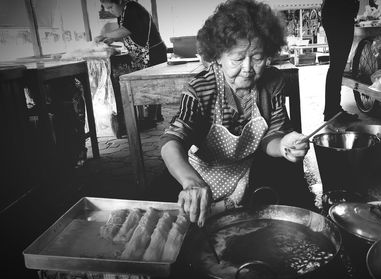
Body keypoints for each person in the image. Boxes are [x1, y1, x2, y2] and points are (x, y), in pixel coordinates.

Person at [160, 0, 311, 227]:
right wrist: (191, 182)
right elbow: (171, 142)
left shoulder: (272, 83)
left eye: (258, 57)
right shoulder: (201, 89)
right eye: (238, 58)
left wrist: (283, 145)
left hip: (244, 176)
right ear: (217, 56)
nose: (249, 67)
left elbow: (271, 137)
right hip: (202, 176)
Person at [95, 0, 165, 125]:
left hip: (153, 52)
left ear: (119, 1)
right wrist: (111, 39)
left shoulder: (132, 8)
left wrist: (104, 35)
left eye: (111, 7)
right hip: (143, 54)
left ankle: (151, 119)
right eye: (107, 9)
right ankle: (151, 118)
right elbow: (132, 34)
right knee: (146, 86)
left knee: (150, 86)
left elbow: (127, 30)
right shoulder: (122, 15)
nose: (110, 11)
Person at [321, 0, 360, 121]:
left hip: (337, 13)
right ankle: (332, 111)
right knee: (337, 66)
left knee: (337, 66)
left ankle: (332, 110)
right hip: (339, 15)